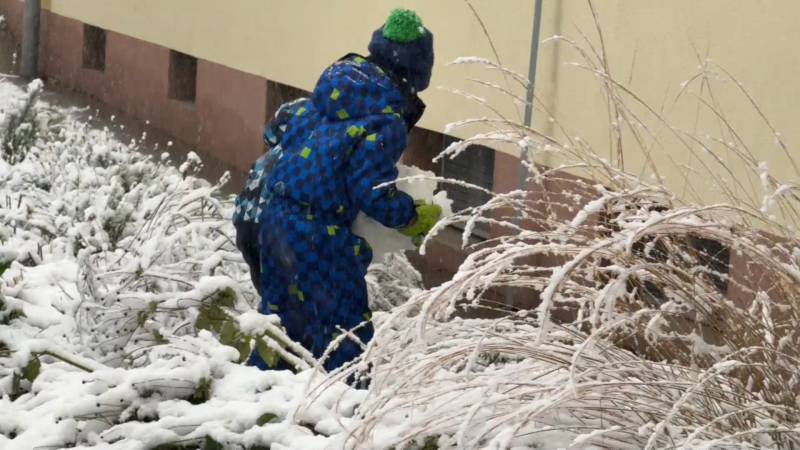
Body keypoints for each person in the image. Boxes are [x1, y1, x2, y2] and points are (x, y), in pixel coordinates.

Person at [234, 8, 442, 374]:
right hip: (318, 234)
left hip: (273, 216)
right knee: (346, 337)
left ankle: (254, 399)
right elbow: (370, 190)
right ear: (418, 73)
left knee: (281, 328)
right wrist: (410, 215)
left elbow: (279, 127)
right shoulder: (387, 119)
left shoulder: (336, 86)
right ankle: (345, 418)